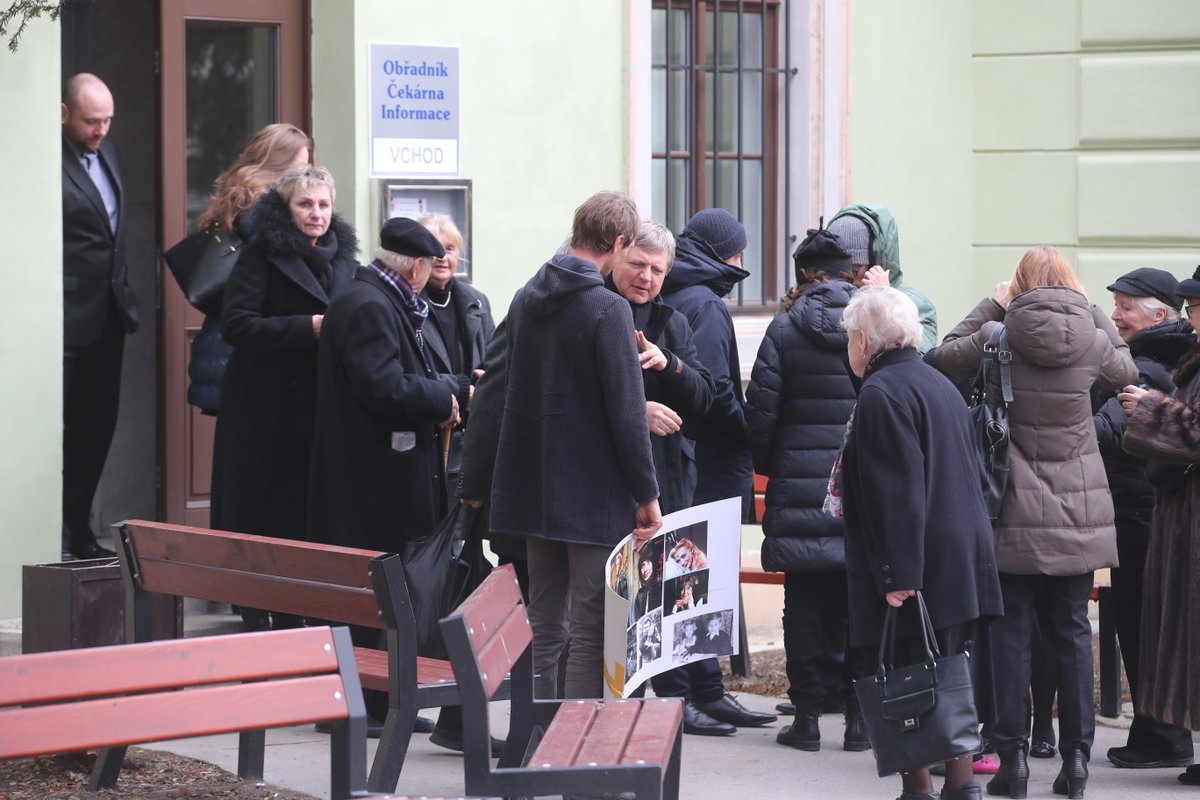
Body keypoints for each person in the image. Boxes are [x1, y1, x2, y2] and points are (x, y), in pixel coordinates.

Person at [933, 246, 1137, 800]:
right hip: (1078, 511)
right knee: (1072, 633)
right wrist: (1093, 312)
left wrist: (991, 305)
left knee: (1008, 635)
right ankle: (1076, 764)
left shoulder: (998, 335)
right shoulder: (1093, 335)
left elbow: (941, 355)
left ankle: (1014, 763)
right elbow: (1128, 371)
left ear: (1018, 285)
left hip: (1010, 509)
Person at [307, 216, 485, 753]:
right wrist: (444, 395)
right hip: (374, 484)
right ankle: (370, 702)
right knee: (376, 592)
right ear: (414, 266)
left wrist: (450, 385)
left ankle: (380, 700)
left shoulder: (375, 299)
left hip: (378, 481)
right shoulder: (368, 306)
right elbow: (381, 387)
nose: (432, 276)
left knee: (385, 592)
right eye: (429, 265)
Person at [488, 190, 662, 700]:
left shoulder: (525, 297)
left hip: (534, 487)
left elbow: (506, 387)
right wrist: (647, 494)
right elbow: (628, 415)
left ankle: (534, 735)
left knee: (544, 618)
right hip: (591, 493)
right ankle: (577, 752)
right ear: (618, 241)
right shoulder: (607, 310)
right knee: (592, 625)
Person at [838, 286, 1004, 800]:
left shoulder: (882, 393)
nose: (849, 347)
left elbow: (896, 493)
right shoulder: (937, 383)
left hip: (920, 562)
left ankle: (919, 789)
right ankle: (960, 787)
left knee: (911, 672)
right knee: (949, 670)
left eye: (849, 337)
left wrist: (896, 576)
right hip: (960, 555)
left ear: (864, 341)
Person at [211, 164, 357, 631]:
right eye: (305, 204)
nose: (316, 213)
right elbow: (236, 324)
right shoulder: (261, 254)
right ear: (287, 208)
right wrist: (306, 329)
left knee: (305, 506)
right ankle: (255, 607)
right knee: (260, 505)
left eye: (323, 205)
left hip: (318, 404)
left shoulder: (344, 261)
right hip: (263, 405)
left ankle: (299, 604)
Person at [746, 225, 867, 753]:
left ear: (803, 276)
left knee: (804, 607)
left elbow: (761, 420)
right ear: (849, 274)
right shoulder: (873, 322)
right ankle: (860, 721)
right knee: (857, 604)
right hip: (860, 489)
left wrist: (781, 468)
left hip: (800, 489)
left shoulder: (785, 328)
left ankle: (809, 720)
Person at [1093, 267, 1196, 770]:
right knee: (1154, 629)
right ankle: (1159, 734)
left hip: (1141, 518)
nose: (1116, 314)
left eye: (1126, 306)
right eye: (1114, 304)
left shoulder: (1145, 368)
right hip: (1152, 515)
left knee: (1144, 628)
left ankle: (1160, 737)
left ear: (1159, 313)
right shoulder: (1172, 361)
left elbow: (1111, 432)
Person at [60, 73, 139, 560]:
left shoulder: (108, 154)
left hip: (109, 316)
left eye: (107, 120)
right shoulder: (47, 158)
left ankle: (79, 531)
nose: (101, 130)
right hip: (64, 317)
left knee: (95, 428)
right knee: (60, 433)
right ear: (64, 113)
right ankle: (56, 533)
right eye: (91, 120)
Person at [187, 123, 314, 415]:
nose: (303, 178)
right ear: (277, 165)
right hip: (242, 354)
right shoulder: (263, 213)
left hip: (222, 345)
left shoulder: (238, 199)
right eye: (298, 168)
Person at [660, 208, 754, 520]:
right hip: (711, 464)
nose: (740, 266)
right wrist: (743, 425)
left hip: (675, 457)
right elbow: (715, 388)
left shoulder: (667, 291)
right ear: (718, 254)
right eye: (736, 255)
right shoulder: (708, 305)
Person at [417, 212, 495, 488]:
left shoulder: (476, 301)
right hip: (428, 429)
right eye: (434, 248)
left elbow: (494, 359)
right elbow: (412, 371)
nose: (441, 257)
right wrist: (462, 389)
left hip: (471, 437)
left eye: (448, 249)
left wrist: (485, 384)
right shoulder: (408, 303)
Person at [826, 203, 937, 354]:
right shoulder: (816, 299)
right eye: (838, 270)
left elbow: (918, 362)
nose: (846, 279)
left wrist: (884, 301)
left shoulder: (918, 306)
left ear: (874, 262)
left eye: (854, 270)